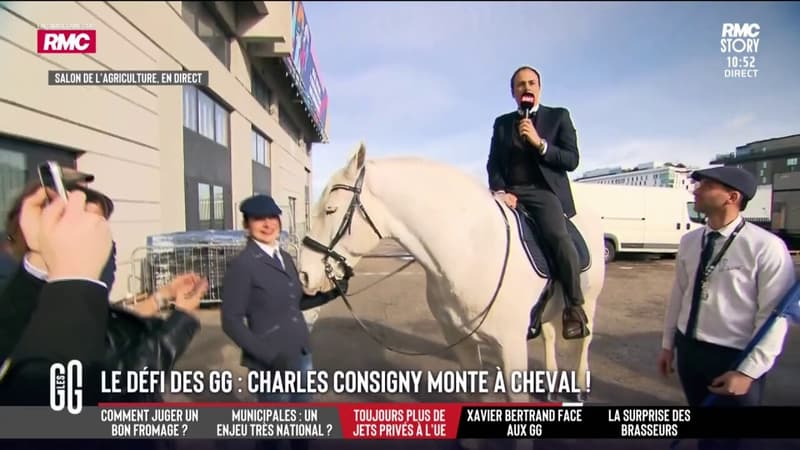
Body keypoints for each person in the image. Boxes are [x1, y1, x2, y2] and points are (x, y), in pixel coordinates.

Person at [658, 167, 795, 447]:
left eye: (706, 185)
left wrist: (748, 372)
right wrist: (668, 345)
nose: (696, 190)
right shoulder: (690, 241)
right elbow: (679, 295)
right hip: (690, 352)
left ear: (732, 197)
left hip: (733, 357)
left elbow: (775, 316)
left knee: (730, 441)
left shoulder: (766, 247)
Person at [222, 195, 346, 450]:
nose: (268, 224)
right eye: (259, 219)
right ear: (246, 225)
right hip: (271, 362)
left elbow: (294, 302)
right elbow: (231, 321)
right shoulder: (242, 265)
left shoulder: (285, 258)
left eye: (272, 218)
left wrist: (331, 293)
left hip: (301, 352)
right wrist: (267, 357)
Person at [486, 65, 589, 340]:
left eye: (531, 83)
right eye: (520, 84)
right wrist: (500, 190)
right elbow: (493, 163)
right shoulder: (502, 123)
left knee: (558, 237)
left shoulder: (559, 116)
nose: (526, 88)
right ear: (513, 93)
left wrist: (539, 143)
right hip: (510, 193)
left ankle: (574, 307)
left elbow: (571, 160)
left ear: (539, 89)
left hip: (543, 192)